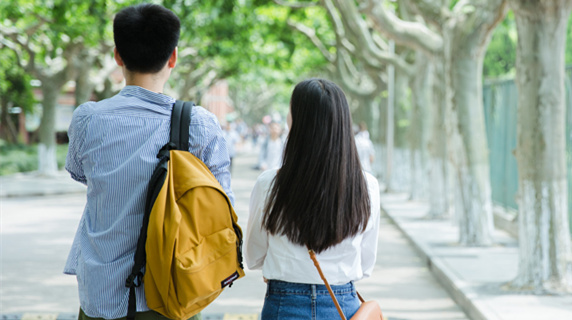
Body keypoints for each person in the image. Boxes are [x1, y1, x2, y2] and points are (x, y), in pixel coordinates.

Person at [64, 4, 233, 319]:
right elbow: (223, 204)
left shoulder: (88, 119)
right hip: (173, 292)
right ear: (173, 57)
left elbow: (79, 172)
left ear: (118, 56)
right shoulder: (200, 124)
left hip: (102, 296)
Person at [245, 78, 380, 320]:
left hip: (283, 305)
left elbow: (254, 256)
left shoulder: (269, 183)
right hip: (343, 307)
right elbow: (366, 264)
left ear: (297, 121)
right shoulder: (367, 186)